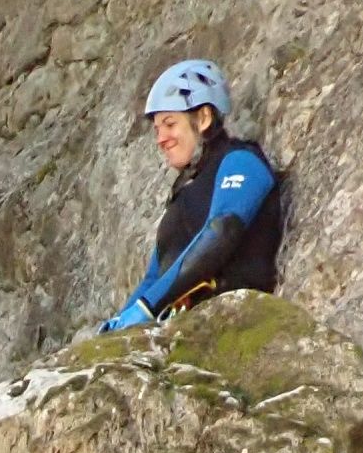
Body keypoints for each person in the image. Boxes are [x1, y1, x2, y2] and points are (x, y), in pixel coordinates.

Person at [100, 59, 284, 333]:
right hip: (186, 329)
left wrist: (147, 308)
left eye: (170, 124)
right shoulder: (183, 194)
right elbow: (156, 274)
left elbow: (222, 230)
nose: (161, 138)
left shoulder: (241, 161)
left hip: (238, 322)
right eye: (157, 129)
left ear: (204, 118)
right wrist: (124, 322)